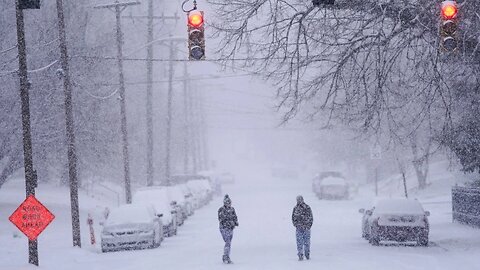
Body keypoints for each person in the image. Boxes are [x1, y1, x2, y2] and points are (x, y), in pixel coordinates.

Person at [218, 194, 239, 264]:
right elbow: (221, 219)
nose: (229, 204)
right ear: (224, 203)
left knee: (228, 243)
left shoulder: (232, 209)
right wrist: (229, 222)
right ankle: (225, 256)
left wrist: (236, 222)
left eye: (229, 203)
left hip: (230, 228)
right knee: (227, 241)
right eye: (227, 203)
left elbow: (235, 217)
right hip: (224, 228)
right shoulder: (221, 210)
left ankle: (226, 256)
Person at [292, 195, 313, 261]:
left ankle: (307, 254)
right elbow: (293, 217)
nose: (298, 201)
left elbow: (311, 217)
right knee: (300, 242)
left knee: (306, 242)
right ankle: (300, 255)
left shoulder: (307, 207)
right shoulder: (295, 208)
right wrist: (296, 224)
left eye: (299, 199)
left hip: (306, 228)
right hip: (299, 228)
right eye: (297, 200)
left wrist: (308, 225)